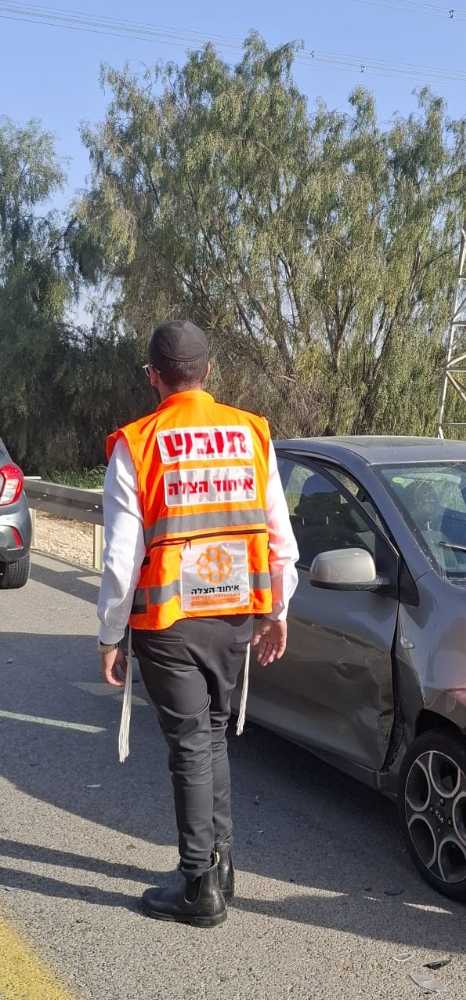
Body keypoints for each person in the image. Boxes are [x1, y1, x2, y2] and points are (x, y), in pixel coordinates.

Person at [97, 320, 299, 928]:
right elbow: (279, 537)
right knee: (210, 735)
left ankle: (198, 886)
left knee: (190, 744)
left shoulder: (140, 443)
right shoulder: (251, 433)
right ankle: (221, 863)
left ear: (154, 376)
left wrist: (110, 634)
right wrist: (278, 610)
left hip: (171, 619)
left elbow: (119, 555)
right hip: (235, 613)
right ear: (208, 373)